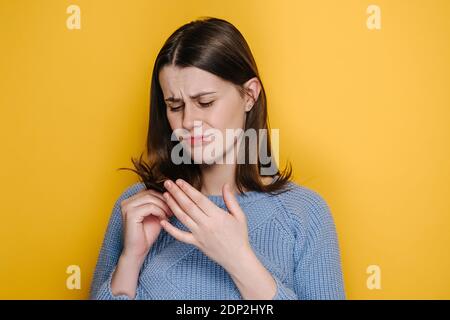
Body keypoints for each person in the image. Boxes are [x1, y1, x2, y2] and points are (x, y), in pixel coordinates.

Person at [89, 17, 345, 300]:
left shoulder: (304, 213)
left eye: (205, 102)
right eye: (175, 106)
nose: (188, 121)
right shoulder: (139, 209)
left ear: (250, 95)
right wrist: (131, 260)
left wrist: (238, 259)